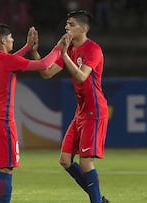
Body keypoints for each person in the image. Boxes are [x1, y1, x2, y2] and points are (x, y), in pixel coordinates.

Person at [0, 23, 64, 203]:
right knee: (7, 168)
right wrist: (58, 48)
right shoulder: (6, 61)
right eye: (10, 37)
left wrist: (26, 48)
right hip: (2, 121)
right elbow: (43, 64)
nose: (12, 40)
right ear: (2, 40)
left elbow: (9, 62)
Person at [39, 10, 109, 203]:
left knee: (86, 162)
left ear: (83, 28)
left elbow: (81, 76)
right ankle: (99, 199)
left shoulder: (93, 49)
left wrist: (63, 53)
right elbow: (46, 73)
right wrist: (35, 50)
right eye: (66, 24)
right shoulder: (69, 50)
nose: (66, 27)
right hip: (81, 112)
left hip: (94, 110)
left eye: (71, 24)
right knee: (65, 160)